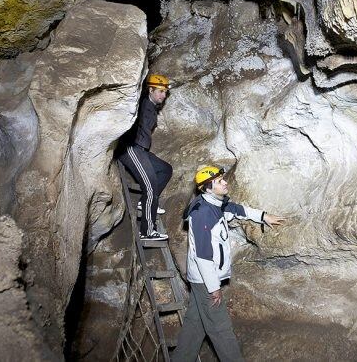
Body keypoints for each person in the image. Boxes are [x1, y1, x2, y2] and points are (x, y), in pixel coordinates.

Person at [172, 166, 286, 361]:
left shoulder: (215, 203)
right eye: (219, 181)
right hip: (205, 280)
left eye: (222, 178)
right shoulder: (202, 213)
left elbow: (237, 209)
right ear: (208, 188)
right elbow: (203, 255)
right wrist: (213, 288)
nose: (225, 182)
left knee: (194, 325)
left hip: (203, 280)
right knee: (221, 328)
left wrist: (263, 216)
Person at [118, 74, 173, 240]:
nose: (163, 96)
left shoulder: (151, 107)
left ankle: (145, 202)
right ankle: (147, 231)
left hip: (141, 150)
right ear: (150, 90)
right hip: (131, 148)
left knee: (165, 169)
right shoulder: (141, 104)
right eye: (160, 92)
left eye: (165, 92)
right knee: (149, 186)